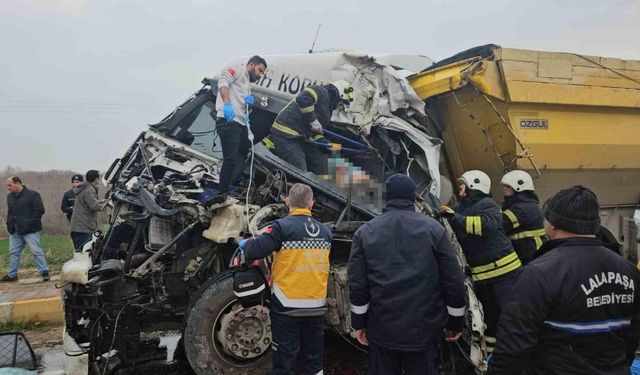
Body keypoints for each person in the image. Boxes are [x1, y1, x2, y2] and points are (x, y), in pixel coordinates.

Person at [488, 185, 640, 375]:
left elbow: (513, 347)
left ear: (551, 224)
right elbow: (632, 337)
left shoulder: (538, 274)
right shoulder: (628, 271)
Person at [348, 174, 466, 375]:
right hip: (424, 331)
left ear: (386, 197)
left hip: (382, 330)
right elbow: (454, 281)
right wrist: (455, 322)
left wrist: (358, 323)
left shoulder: (365, 232)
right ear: (413, 197)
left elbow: (357, 284)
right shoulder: (434, 230)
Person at [240, 183, 332, 375]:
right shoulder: (325, 232)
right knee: (313, 360)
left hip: (287, 308)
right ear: (311, 204)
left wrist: (245, 244)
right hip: (316, 307)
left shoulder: (281, 227)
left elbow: (254, 251)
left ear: (288, 202)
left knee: (285, 359)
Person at [441, 170, 521, 354]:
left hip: (505, 273)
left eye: (463, 184)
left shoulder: (487, 205)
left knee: (509, 317)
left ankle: (515, 356)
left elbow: (485, 226)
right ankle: (494, 357)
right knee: (491, 319)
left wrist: (455, 218)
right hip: (483, 277)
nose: (459, 187)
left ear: (473, 186)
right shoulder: (461, 207)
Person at [264, 80, 354, 174]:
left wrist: (327, 144)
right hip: (286, 135)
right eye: (341, 103)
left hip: (301, 139)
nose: (340, 106)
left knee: (322, 165)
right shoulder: (320, 91)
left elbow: (316, 131)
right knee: (299, 170)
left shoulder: (328, 111)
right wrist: (313, 120)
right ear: (338, 95)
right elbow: (303, 98)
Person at [213, 55, 267, 203]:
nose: (260, 75)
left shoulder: (247, 84)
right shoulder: (236, 69)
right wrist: (227, 104)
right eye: (260, 70)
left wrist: (249, 105)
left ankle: (232, 187)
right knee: (230, 159)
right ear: (251, 65)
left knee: (243, 154)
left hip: (240, 124)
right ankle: (221, 195)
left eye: (263, 73)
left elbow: (243, 105)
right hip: (228, 120)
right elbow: (223, 82)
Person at [2, 177, 49, 282]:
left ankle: (44, 272)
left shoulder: (33, 195)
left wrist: (30, 222)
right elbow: (10, 211)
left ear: (18, 183)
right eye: (7, 185)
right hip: (15, 230)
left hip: (31, 230)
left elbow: (40, 210)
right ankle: (12, 275)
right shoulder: (10, 197)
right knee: (13, 252)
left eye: (10, 185)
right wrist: (9, 223)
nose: (8, 188)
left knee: (36, 251)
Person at [500, 170, 547, 265]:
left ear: (519, 186)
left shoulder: (522, 208)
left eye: (508, 186)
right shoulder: (524, 204)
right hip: (529, 255)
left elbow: (500, 224)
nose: (504, 189)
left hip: (533, 256)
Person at [69, 170, 101, 251]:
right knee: (84, 252)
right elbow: (94, 206)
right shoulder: (89, 189)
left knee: (79, 251)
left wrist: (102, 201)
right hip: (84, 227)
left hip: (77, 226)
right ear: (96, 179)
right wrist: (107, 205)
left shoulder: (82, 188)